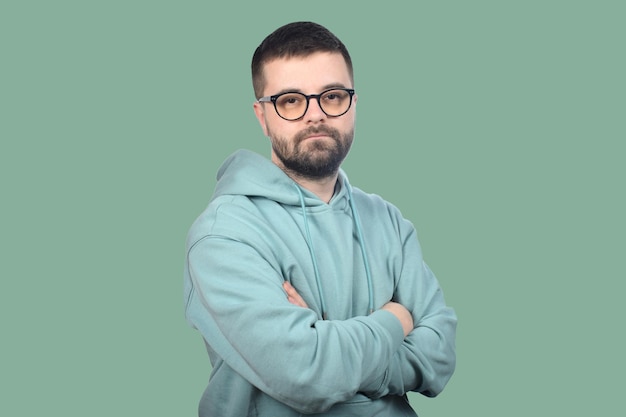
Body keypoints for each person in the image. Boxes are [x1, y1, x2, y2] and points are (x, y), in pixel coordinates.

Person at [184, 21, 457, 417]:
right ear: (262, 117)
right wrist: (395, 319)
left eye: (331, 96)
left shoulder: (388, 221)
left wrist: (335, 350)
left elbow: (441, 354)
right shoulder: (224, 235)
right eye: (291, 100)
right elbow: (308, 374)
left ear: (353, 104)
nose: (315, 115)